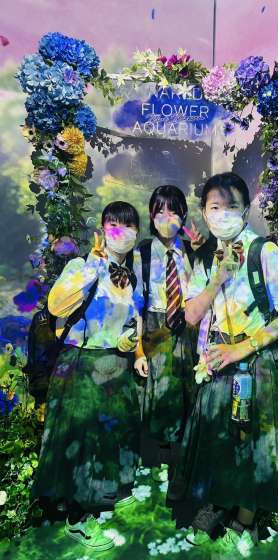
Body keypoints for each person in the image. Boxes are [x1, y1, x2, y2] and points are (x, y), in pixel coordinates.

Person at [173, 172, 278, 553]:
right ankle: (217, 505)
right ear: (204, 212)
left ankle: (245, 519)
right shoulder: (204, 259)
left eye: (231, 206)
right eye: (215, 207)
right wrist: (217, 278)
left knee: (252, 442)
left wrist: (242, 348)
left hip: (253, 365)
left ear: (246, 210)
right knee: (218, 438)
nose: (223, 214)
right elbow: (191, 315)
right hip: (215, 363)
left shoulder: (266, 253)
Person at [32, 201, 148, 552]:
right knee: (80, 441)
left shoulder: (130, 277)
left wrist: (131, 344)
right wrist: (93, 267)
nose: (120, 232)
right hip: (81, 364)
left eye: (128, 226)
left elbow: (131, 322)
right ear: (102, 228)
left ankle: (100, 500)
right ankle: (77, 520)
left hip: (113, 365)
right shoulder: (81, 265)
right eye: (113, 224)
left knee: (106, 438)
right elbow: (56, 305)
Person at [136, 185, 202, 472]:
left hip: (188, 328)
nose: (166, 217)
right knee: (158, 393)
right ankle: (159, 461)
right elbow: (134, 303)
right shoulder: (142, 252)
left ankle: (183, 460)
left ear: (183, 215)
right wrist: (139, 349)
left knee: (188, 391)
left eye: (173, 211)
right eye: (159, 211)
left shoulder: (192, 250)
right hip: (155, 327)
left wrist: (200, 253)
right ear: (151, 216)